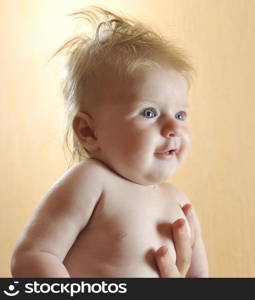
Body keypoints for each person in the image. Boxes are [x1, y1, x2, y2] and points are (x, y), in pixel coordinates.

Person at [10, 6, 208, 278]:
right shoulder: (92, 182)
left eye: (180, 114)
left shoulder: (178, 202)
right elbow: (35, 255)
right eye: (149, 112)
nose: (173, 127)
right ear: (89, 132)